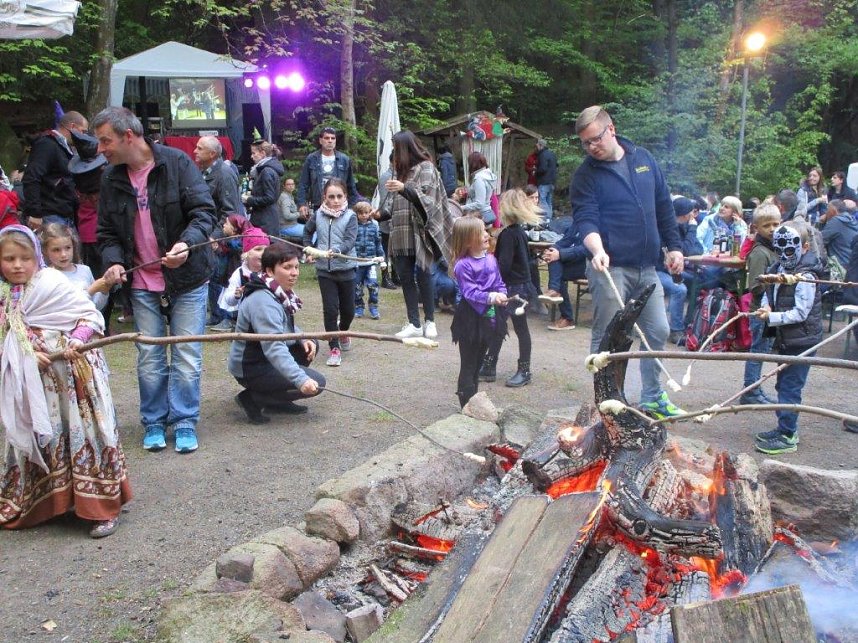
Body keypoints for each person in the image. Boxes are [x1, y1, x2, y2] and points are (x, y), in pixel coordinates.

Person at [95, 106, 217, 454]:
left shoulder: (177, 163)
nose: (101, 149)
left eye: (105, 141)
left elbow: (204, 213)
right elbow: (106, 233)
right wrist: (115, 262)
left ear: (128, 136)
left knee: (187, 355)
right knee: (149, 357)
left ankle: (183, 421)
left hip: (188, 279)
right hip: (141, 284)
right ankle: (153, 422)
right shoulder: (110, 178)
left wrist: (186, 245)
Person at [0, 225, 131, 537]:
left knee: (84, 435)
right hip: (36, 386)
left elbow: (88, 316)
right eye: (9, 259)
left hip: (75, 382)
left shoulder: (52, 284)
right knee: (47, 437)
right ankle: (49, 503)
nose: (17, 265)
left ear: (36, 258)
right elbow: (10, 337)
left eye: (24, 258)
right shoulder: (5, 297)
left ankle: (102, 507)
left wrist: (76, 340)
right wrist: (27, 352)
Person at [570, 105, 685, 419]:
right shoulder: (585, 175)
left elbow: (663, 207)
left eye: (595, 139)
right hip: (610, 267)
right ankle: (605, 402)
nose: (591, 146)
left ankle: (651, 397)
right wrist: (597, 249)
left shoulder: (643, 159)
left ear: (612, 129)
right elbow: (585, 219)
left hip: (647, 266)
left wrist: (673, 248)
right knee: (608, 335)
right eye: (585, 143)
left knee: (658, 330)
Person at [228, 243, 325, 424]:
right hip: (251, 365)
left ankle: (278, 401)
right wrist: (301, 380)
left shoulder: (276, 291)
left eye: (296, 267)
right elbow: (274, 346)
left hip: (263, 357)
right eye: (287, 267)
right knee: (318, 382)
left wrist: (303, 338)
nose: (295, 273)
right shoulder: (263, 300)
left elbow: (281, 325)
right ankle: (252, 398)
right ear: (270, 271)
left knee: (309, 344)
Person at [753, 222, 824, 455]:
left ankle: (788, 435)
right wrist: (765, 308)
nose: (784, 255)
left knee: (791, 386)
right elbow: (769, 293)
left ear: (803, 247)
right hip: (786, 339)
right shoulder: (779, 268)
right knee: (783, 383)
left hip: (801, 340)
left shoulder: (806, 277)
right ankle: (784, 426)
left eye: (790, 249)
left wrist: (772, 317)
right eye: (779, 249)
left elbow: (801, 313)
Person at [377, 130, 453, 340]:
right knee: (405, 278)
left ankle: (430, 321)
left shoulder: (426, 167)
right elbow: (392, 205)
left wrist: (404, 188)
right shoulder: (399, 174)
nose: (394, 152)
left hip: (420, 232)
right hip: (400, 234)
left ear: (406, 148)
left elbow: (428, 199)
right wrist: (378, 215)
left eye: (396, 147)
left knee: (424, 275)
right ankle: (414, 323)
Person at [481, 189, 542, 387]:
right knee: (501, 325)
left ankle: (524, 370)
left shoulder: (508, 235)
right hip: (519, 287)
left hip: (511, 289)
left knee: (518, 329)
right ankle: (490, 365)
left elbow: (504, 265)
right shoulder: (520, 233)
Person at [450, 217, 508, 407]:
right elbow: (470, 292)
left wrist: (502, 294)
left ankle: (473, 402)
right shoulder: (463, 265)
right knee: (468, 363)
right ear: (467, 240)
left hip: (489, 316)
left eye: (485, 230)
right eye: (480, 232)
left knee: (479, 362)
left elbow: (499, 282)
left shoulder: (491, 259)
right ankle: (466, 403)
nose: (486, 234)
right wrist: (491, 297)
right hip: (470, 320)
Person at [303, 178, 358, 367]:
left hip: (346, 269)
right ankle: (334, 347)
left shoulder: (350, 216)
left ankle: (343, 332)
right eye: (331, 196)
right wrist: (308, 249)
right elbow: (307, 232)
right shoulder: (318, 215)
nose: (335, 200)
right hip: (325, 272)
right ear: (324, 197)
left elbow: (350, 241)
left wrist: (337, 252)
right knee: (330, 310)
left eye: (339, 196)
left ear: (345, 197)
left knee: (348, 311)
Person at [740, 204, 781, 404]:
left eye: (776, 224)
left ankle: (756, 388)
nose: (772, 229)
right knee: (757, 352)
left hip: (771, 312)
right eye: (767, 226)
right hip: (760, 311)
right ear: (756, 227)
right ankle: (750, 391)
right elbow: (755, 285)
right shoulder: (760, 252)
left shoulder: (775, 249)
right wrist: (776, 285)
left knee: (763, 351)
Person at [22, 111, 88, 230]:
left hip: (64, 213)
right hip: (49, 215)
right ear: (72, 127)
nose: (83, 136)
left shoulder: (63, 147)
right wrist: (35, 212)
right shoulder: (47, 145)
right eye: (82, 131)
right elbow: (32, 176)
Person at [656, 197, 704, 344]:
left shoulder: (682, 226)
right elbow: (686, 250)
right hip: (656, 270)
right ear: (685, 215)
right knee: (680, 289)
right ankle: (676, 330)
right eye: (691, 213)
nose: (693, 216)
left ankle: (689, 324)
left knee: (703, 281)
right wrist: (692, 228)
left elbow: (698, 249)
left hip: (673, 270)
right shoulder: (666, 228)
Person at [40, 222, 110, 311]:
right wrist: (91, 290)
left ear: (73, 246)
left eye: (68, 248)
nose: (63, 254)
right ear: (45, 251)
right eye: (56, 250)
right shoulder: (46, 276)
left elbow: (95, 306)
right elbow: (65, 308)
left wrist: (104, 290)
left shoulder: (85, 270)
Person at [215, 224, 270, 332]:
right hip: (245, 323)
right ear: (246, 253)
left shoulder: (271, 271)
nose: (263, 254)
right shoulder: (239, 273)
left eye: (265, 250)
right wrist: (236, 296)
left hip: (268, 318)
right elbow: (229, 301)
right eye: (258, 249)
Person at [540, 215, 589, 331]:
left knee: (557, 260)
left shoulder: (599, 220)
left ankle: (556, 294)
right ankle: (555, 291)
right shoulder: (579, 219)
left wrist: (561, 254)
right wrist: (552, 249)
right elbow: (567, 240)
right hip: (578, 262)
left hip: (593, 265)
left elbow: (587, 249)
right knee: (554, 259)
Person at [297, 127, 360, 216]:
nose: (330, 141)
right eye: (326, 138)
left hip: (340, 205)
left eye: (333, 138)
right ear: (320, 140)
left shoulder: (344, 159)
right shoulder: (312, 159)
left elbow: (351, 185)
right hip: (319, 205)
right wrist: (302, 204)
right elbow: (303, 184)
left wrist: (352, 205)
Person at [194, 135, 242, 223]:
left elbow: (230, 213)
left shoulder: (225, 174)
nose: (195, 151)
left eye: (199, 149)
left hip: (217, 234)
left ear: (212, 154)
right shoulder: (203, 171)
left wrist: (214, 236)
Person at [242, 140, 284, 236]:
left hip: (265, 223)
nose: (251, 156)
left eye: (253, 153)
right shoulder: (266, 170)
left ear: (262, 153)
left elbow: (270, 198)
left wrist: (249, 199)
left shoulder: (266, 171)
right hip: (266, 219)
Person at [352, 201, 384, 319]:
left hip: (371, 262)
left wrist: (382, 259)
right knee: (357, 286)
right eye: (361, 213)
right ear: (357, 214)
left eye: (366, 213)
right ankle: (359, 307)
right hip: (357, 262)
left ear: (370, 213)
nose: (364, 215)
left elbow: (378, 242)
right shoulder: (353, 226)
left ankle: (373, 307)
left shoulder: (374, 226)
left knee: (373, 285)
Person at [461, 152, 497, 225]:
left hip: (479, 216)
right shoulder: (487, 175)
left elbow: (479, 203)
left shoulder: (479, 179)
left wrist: (461, 207)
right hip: (485, 212)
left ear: (472, 164)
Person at [819, 199, 858, 266]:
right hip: (851, 262)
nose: (826, 212)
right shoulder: (851, 219)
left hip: (842, 266)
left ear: (833, 211)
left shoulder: (836, 221)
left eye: (827, 210)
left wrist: (820, 223)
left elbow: (820, 240)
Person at [535, 138, 558, 220]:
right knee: (549, 201)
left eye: (537, 145)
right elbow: (556, 166)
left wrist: (535, 172)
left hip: (544, 181)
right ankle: (550, 218)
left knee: (542, 200)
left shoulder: (542, 155)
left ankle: (547, 218)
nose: (536, 146)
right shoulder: (552, 154)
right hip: (552, 182)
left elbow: (543, 169)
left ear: (541, 145)